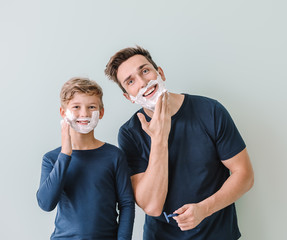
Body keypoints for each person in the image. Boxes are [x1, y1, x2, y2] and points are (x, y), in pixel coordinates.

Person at [104, 46, 254, 240]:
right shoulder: (130, 133)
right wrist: (159, 140)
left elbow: (245, 175)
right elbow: (151, 206)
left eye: (145, 70)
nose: (143, 82)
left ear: (160, 73)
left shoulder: (210, 111)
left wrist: (204, 209)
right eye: (131, 81)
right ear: (129, 97)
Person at [36, 77, 135, 240]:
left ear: (101, 112)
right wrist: (65, 154)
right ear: (63, 112)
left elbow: (126, 204)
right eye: (76, 107)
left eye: (91, 107)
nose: (84, 114)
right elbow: (46, 204)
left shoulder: (114, 156)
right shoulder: (52, 159)